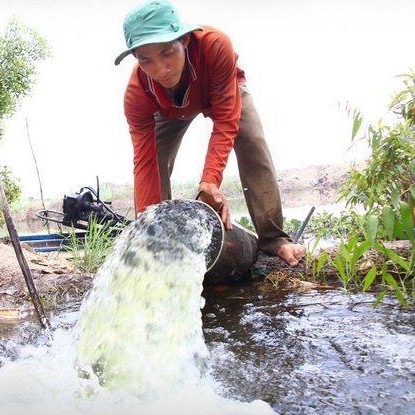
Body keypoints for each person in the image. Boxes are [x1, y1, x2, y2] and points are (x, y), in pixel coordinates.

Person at [115, 0, 305, 266]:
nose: (161, 70)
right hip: (168, 109)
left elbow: (227, 121)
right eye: (147, 61)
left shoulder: (215, 46)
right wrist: (147, 229)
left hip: (219, 88)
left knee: (251, 140)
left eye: (168, 52)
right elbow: (145, 165)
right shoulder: (137, 95)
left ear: (185, 40)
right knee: (157, 162)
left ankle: (274, 240)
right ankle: (161, 244)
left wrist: (209, 184)